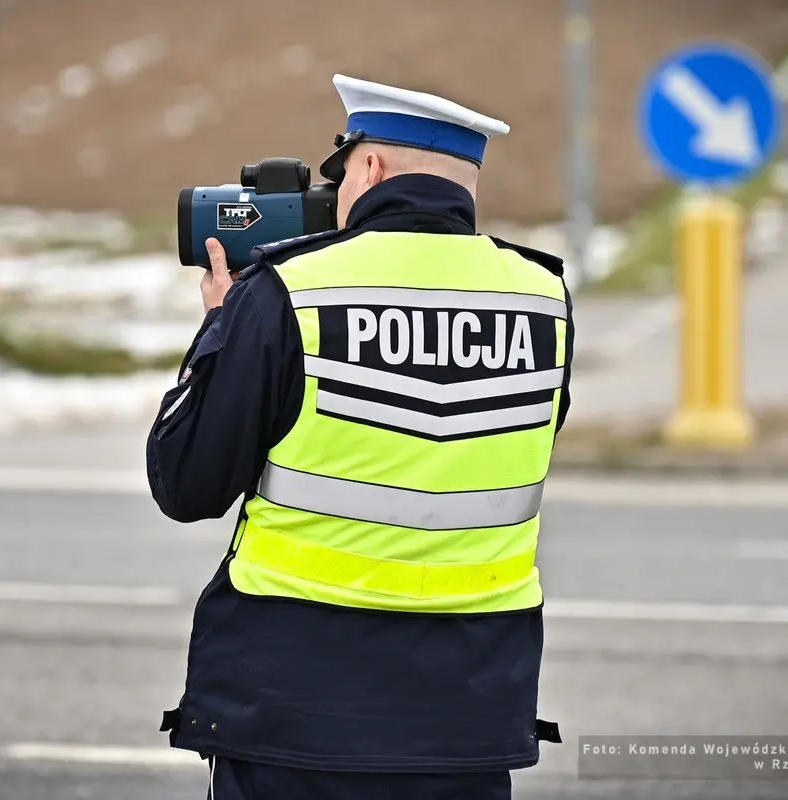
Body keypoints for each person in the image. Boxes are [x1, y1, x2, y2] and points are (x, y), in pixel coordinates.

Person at [147, 73, 574, 799]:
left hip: (296, 720)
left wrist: (223, 323)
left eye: (338, 175)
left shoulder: (290, 290)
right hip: (469, 722)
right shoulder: (542, 298)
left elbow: (185, 483)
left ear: (370, 167)